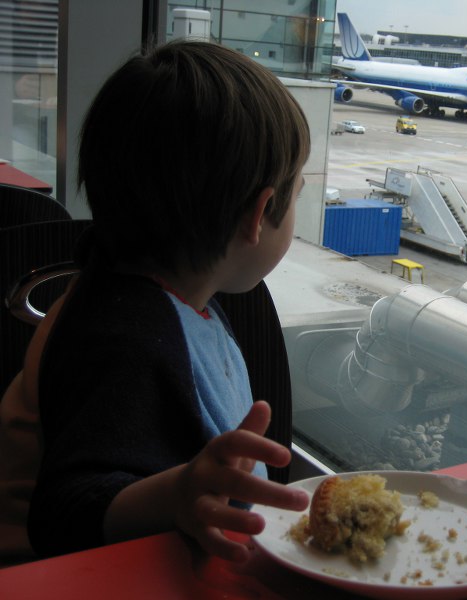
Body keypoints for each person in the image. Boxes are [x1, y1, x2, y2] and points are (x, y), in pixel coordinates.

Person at [24, 39, 311, 562]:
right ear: (260, 213)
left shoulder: (134, 283)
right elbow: (60, 514)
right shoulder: (126, 338)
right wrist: (174, 497)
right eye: (297, 193)